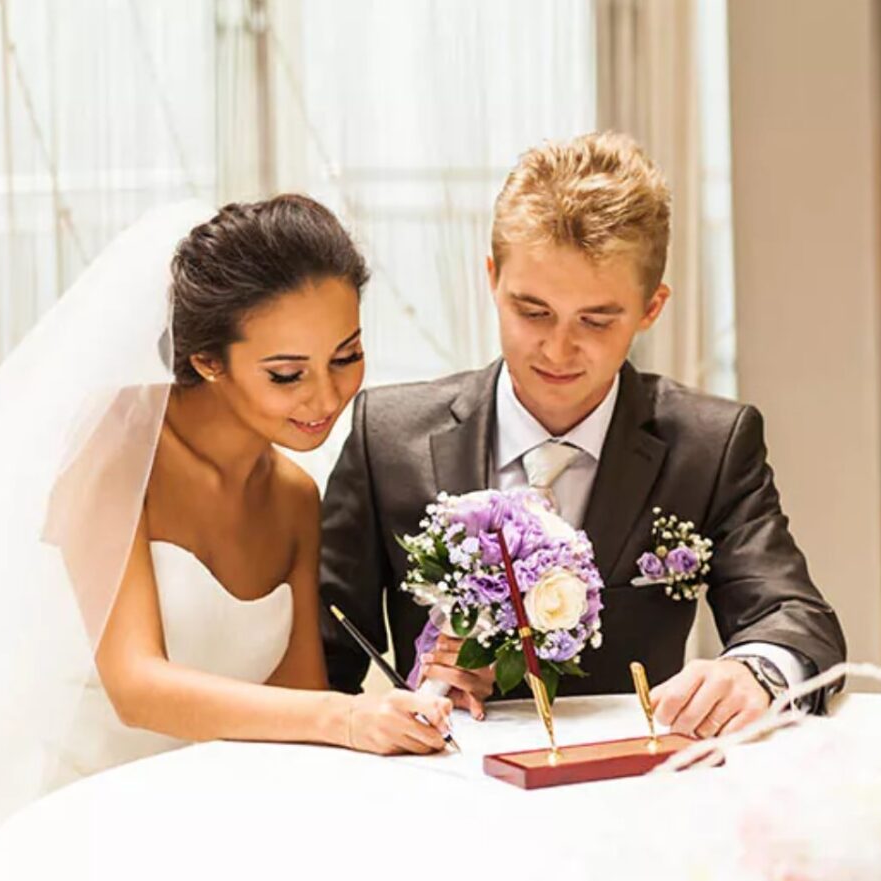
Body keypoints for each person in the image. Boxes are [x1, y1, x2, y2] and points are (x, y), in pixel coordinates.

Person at [0, 196, 450, 881]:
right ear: (207, 360)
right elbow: (136, 686)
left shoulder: (296, 497)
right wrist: (350, 717)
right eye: (287, 373)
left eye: (347, 356)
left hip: (204, 821)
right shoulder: (112, 442)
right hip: (69, 817)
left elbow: (298, 702)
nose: (326, 397)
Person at [320, 131, 846, 733]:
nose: (558, 347)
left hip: (636, 795)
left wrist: (756, 671)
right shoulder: (385, 438)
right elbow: (320, 662)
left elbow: (794, 614)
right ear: (492, 279)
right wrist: (390, 704)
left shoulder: (711, 445)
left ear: (651, 308)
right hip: (443, 793)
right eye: (532, 311)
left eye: (596, 320)